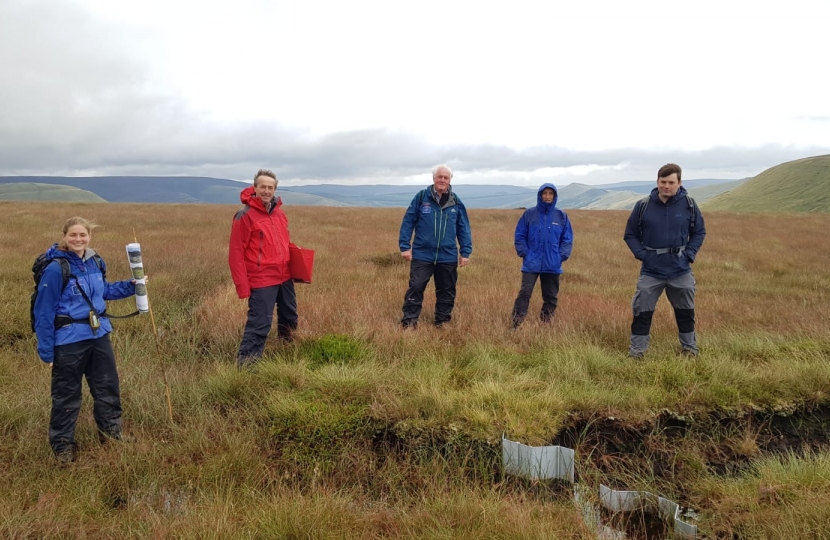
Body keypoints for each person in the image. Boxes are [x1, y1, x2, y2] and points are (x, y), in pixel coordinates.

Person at [33, 217, 140, 463]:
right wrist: (47, 352)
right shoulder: (55, 268)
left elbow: (104, 291)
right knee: (67, 394)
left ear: (89, 236)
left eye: (83, 235)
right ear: (65, 236)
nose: (78, 240)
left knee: (107, 388)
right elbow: (44, 312)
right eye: (73, 235)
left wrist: (132, 286)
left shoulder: (95, 261)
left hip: (99, 335)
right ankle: (62, 447)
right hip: (68, 340)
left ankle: (111, 434)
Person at [623, 163, 706, 358]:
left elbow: (699, 232)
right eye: (663, 182)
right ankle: (637, 353)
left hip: (680, 269)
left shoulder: (690, 205)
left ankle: (690, 350)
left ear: (679, 183)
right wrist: (643, 255)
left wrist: (689, 255)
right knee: (642, 310)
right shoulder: (643, 206)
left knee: (685, 311)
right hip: (651, 271)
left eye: (671, 182)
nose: (666, 186)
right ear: (657, 182)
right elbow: (630, 234)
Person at [229, 168, 298, 366]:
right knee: (260, 323)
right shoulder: (245, 216)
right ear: (255, 188)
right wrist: (243, 287)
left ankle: (287, 353)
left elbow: (284, 244)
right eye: (262, 187)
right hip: (261, 279)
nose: (266, 191)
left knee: (290, 316)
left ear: (275, 189)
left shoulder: (280, 215)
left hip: (284, 276)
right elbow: (236, 254)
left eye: (270, 187)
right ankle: (247, 366)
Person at [399, 164, 473, 328]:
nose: (442, 180)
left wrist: (465, 252)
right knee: (416, 286)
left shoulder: (456, 202)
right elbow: (408, 221)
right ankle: (410, 321)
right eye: (439, 177)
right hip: (422, 254)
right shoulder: (421, 198)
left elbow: (464, 228)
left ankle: (442, 321)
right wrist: (405, 246)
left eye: (446, 178)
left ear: (450, 180)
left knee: (446, 289)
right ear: (433, 178)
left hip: (447, 255)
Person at [512, 183, 574, 327]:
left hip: (552, 264)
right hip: (531, 263)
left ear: (554, 196)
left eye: (550, 194)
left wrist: (560, 257)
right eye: (544, 193)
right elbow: (520, 235)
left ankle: (545, 323)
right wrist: (525, 254)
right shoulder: (529, 214)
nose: (547, 197)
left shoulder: (561, 216)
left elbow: (567, 239)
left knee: (550, 296)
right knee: (525, 293)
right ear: (540, 195)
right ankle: (517, 323)